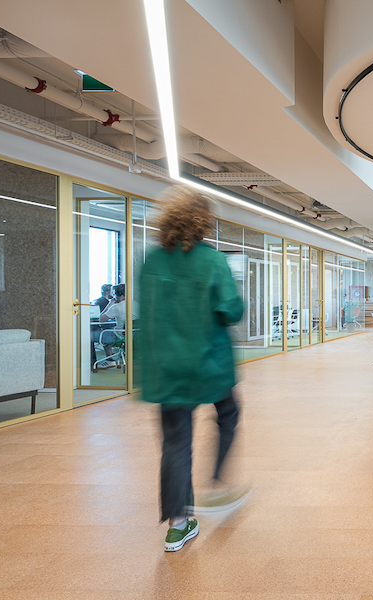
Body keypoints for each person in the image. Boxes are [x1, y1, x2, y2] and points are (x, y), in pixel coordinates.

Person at [135, 185, 247, 552]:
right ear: (202, 223)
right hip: (208, 364)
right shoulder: (212, 260)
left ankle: (177, 525)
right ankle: (217, 481)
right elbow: (231, 310)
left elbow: (147, 310)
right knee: (228, 413)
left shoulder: (152, 261)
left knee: (176, 444)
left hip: (166, 369)